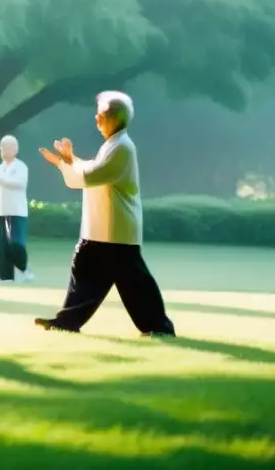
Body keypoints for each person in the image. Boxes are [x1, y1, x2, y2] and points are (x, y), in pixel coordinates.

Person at [37, 91, 176, 337]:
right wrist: (70, 160)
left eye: (100, 116)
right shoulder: (114, 144)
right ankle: (67, 321)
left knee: (134, 283)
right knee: (86, 271)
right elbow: (92, 168)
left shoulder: (122, 147)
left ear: (113, 118)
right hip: (103, 229)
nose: (96, 120)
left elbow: (92, 176)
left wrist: (63, 164)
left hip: (116, 229)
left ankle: (159, 327)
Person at [0, 135, 35, 283]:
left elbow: (19, 184)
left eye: (8, 148)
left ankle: (25, 268)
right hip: (1, 212)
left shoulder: (21, 167)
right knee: (2, 247)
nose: (4, 151)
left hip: (17, 212)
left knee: (16, 243)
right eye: (2, 148)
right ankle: (6, 277)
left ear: (15, 149)